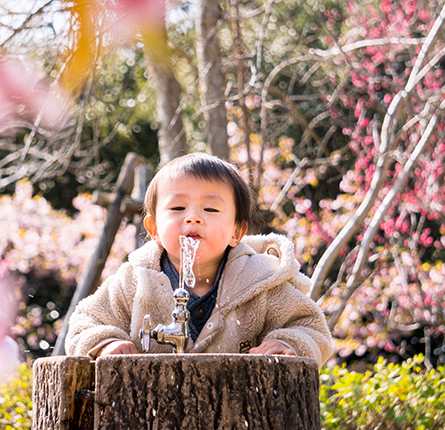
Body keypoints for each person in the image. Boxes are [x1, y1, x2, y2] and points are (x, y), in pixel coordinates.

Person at [65, 153, 333, 366]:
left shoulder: (262, 282)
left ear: (237, 231)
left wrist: (288, 343)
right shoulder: (134, 282)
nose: (193, 217)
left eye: (211, 208)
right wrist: (106, 343)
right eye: (178, 208)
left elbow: (312, 327)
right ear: (154, 229)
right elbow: (84, 323)